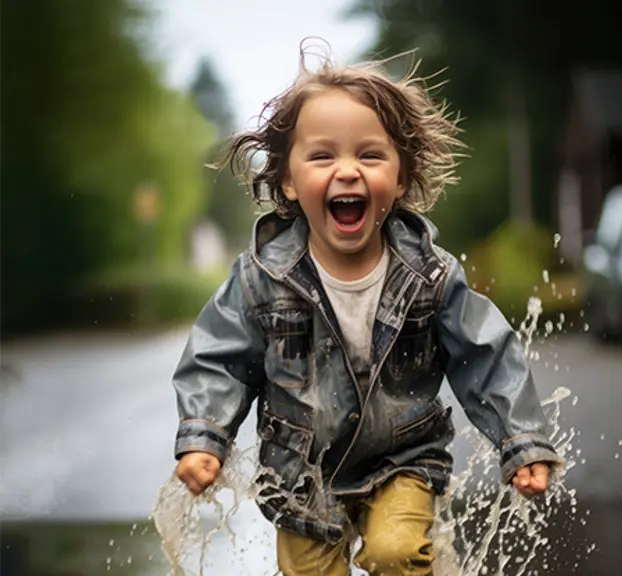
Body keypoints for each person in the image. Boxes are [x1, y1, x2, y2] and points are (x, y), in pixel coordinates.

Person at [172, 41, 564, 576]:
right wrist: (205, 435)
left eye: (370, 154)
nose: (349, 171)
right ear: (288, 179)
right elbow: (218, 357)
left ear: (400, 178)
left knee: (395, 553)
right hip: (300, 472)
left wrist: (522, 442)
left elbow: (486, 355)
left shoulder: (428, 274)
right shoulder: (261, 277)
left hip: (402, 460)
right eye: (323, 155)